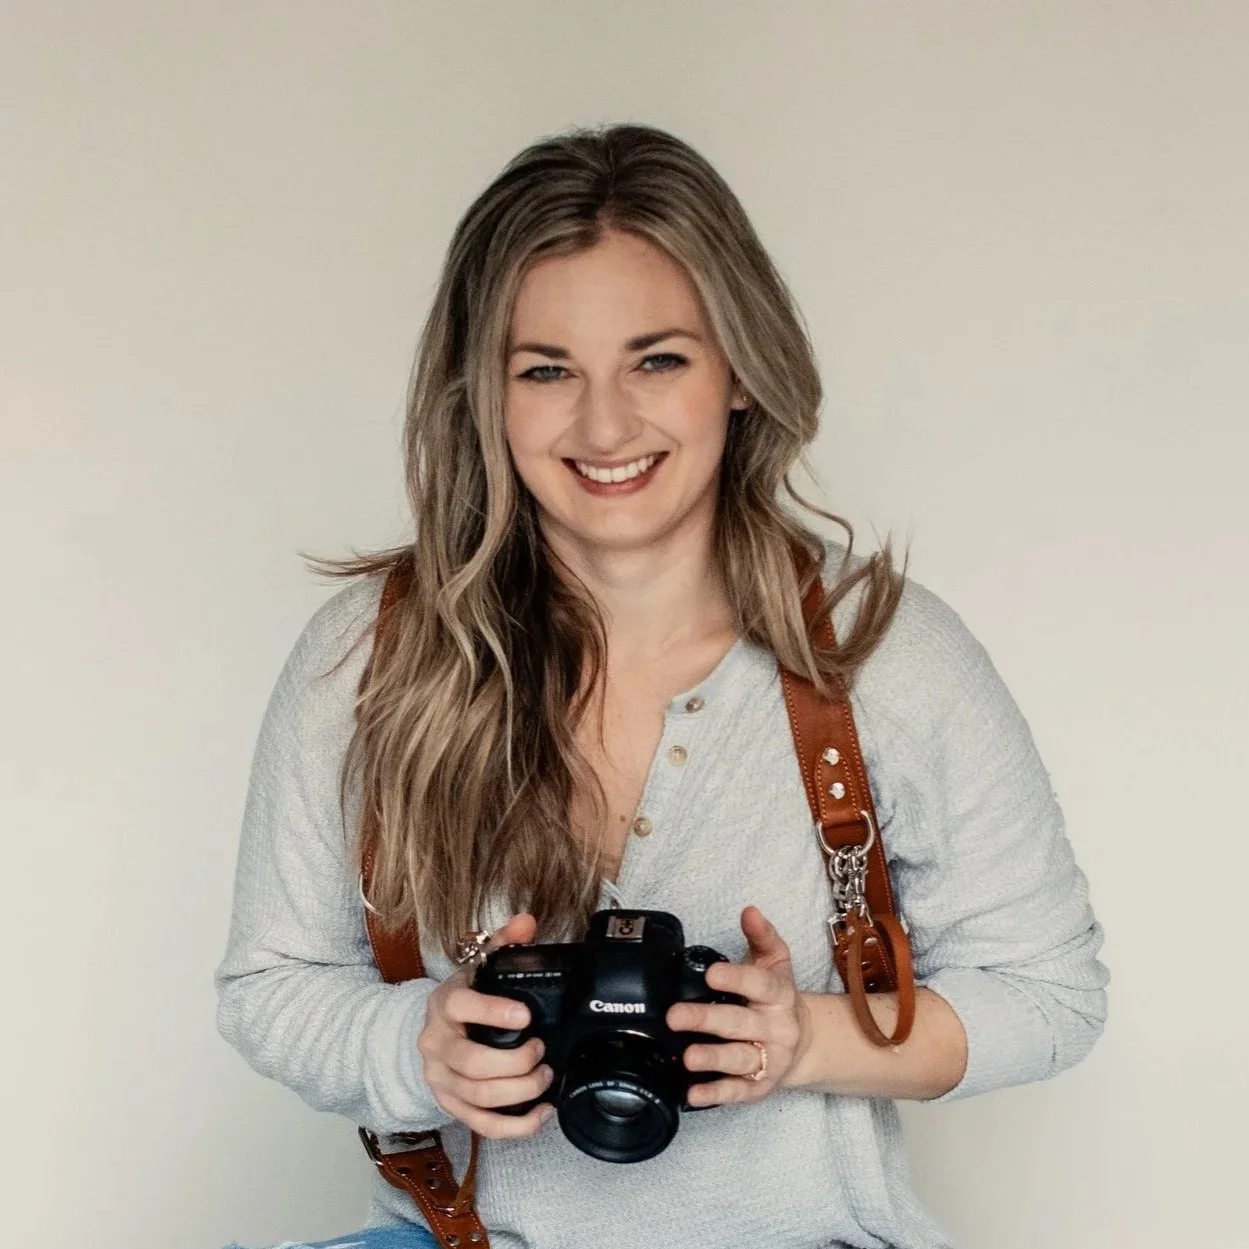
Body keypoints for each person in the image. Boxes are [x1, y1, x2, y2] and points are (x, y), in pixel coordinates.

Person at [216, 123, 1108, 1249]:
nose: (604, 424)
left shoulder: (881, 655)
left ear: (739, 370)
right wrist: (414, 1046)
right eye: (546, 369)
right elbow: (271, 982)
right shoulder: (371, 656)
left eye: (658, 359)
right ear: (481, 395)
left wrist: (804, 1040)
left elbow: (1053, 996)